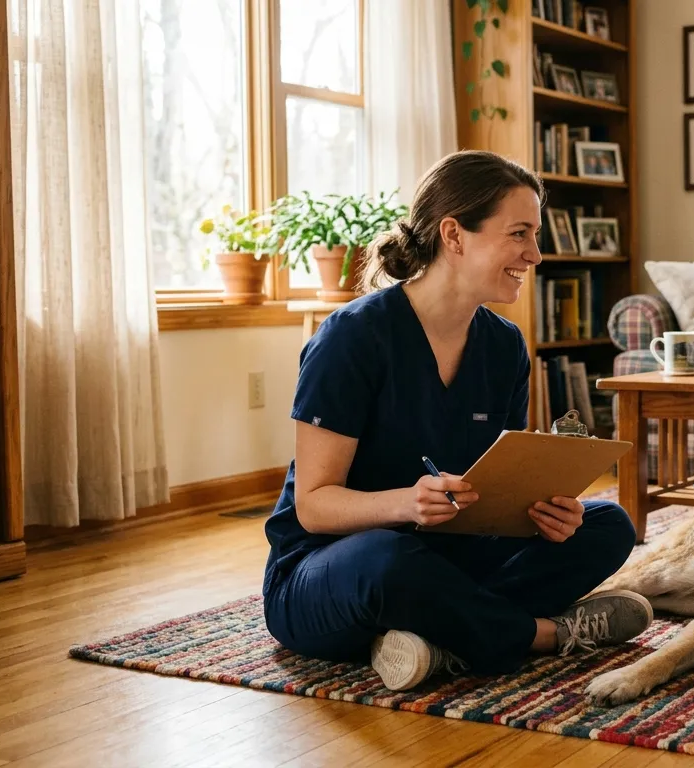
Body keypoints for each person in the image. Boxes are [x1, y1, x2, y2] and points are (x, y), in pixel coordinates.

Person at [261, 150, 651, 692]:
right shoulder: (351, 338)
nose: (535, 255)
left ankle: (436, 641)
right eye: (519, 234)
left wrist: (540, 513)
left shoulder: (504, 345)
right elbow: (313, 505)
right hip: (331, 570)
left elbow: (493, 491)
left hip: (448, 555)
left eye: (535, 236)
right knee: (388, 557)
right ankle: (542, 635)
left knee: (607, 525)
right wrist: (405, 503)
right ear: (454, 234)